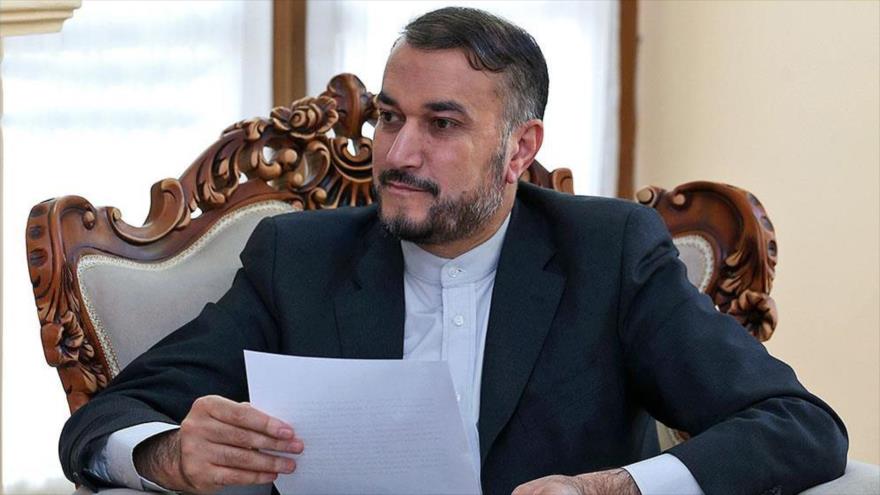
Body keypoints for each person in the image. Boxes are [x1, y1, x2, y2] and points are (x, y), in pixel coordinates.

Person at [60, 7, 847, 495]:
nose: (398, 152)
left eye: (440, 124)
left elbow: (798, 424)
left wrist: (616, 488)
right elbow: (103, 421)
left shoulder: (607, 254)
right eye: (389, 117)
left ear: (519, 148)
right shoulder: (296, 260)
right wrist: (167, 454)